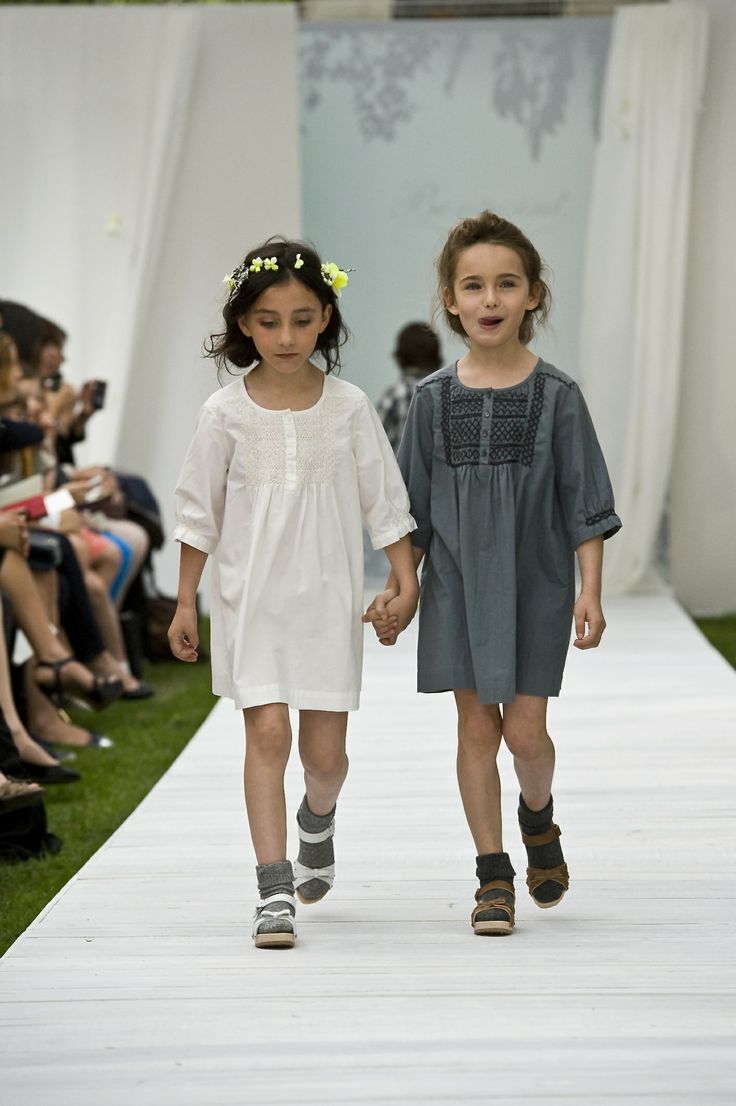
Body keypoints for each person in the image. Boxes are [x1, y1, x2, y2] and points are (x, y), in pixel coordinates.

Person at [364, 210, 621, 937]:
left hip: (537, 586)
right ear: (450, 300)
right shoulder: (431, 400)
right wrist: (400, 589)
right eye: (473, 285)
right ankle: (493, 875)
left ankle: (538, 818)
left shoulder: (559, 395)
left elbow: (585, 501)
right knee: (477, 729)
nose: (490, 299)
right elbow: (410, 513)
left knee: (526, 735)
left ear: (533, 295)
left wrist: (591, 591)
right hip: (458, 588)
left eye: (506, 284)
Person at [168, 238, 418, 950]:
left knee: (325, 759)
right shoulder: (223, 413)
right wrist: (185, 601)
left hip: (327, 600)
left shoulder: (349, 407)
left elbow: (384, 501)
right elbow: (198, 512)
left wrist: (405, 580)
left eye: (302, 320)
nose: (286, 336)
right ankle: (273, 888)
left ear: (325, 319)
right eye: (269, 321)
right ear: (244, 324)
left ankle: (317, 819)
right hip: (251, 600)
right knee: (268, 734)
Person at [375, 321, 442, 453]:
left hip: (399, 466)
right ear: (437, 359)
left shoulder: (393, 396)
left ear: (399, 358)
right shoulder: (446, 394)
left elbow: (374, 443)